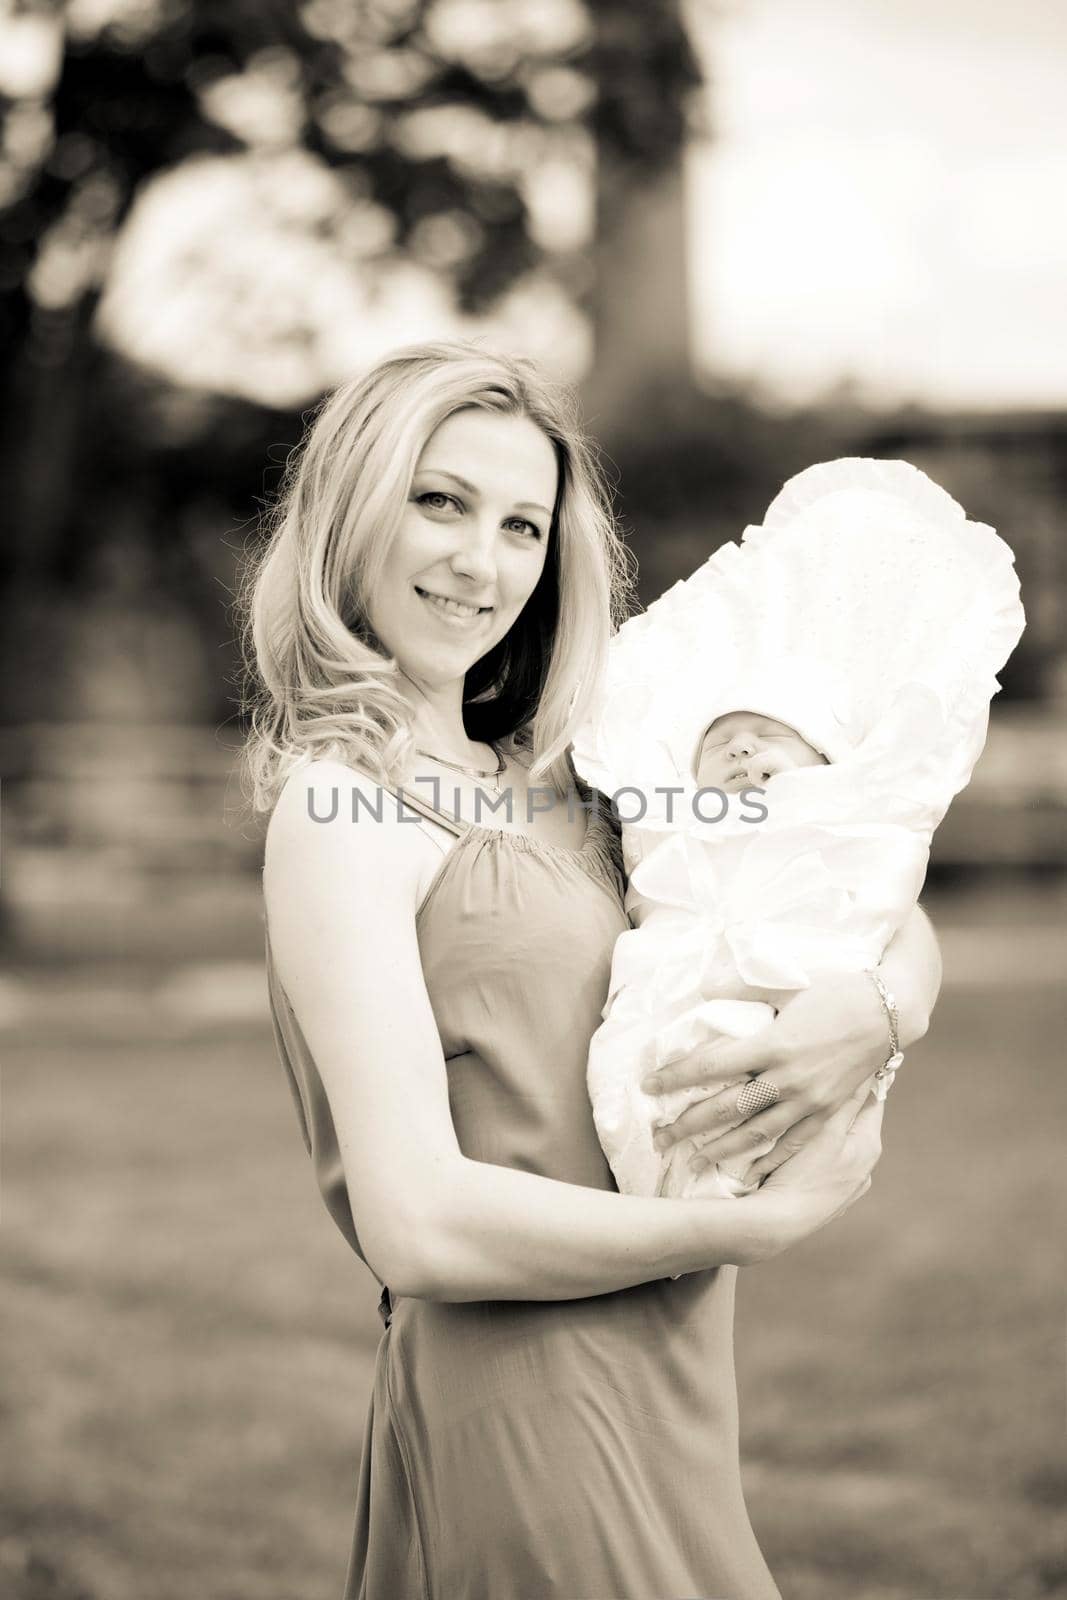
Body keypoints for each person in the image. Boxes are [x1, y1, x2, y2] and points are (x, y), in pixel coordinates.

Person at [241, 343, 943, 1600]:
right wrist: (747, 1226)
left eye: (521, 523)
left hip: (672, 1361)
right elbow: (414, 1217)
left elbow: (849, 873)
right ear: (352, 512)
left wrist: (874, 1010)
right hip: (524, 1393)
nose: (479, 562)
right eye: (437, 501)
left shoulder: (583, 781)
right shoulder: (342, 809)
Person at [572, 458, 1025, 1204]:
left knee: (729, 1075)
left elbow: (882, 894)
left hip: (787, 998)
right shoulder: (654, 812)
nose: (742, 751)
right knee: (652, 1070)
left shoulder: (839, 812)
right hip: (670, 997)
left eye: (766, 737)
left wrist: (890, 1004)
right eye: (722, 744)